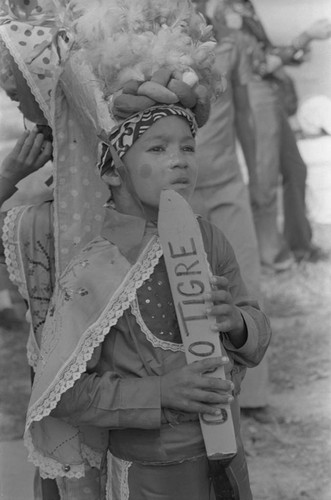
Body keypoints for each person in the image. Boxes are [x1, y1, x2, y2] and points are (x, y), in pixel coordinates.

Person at [0, 1, 272, 498]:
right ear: (110, 171)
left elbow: (255, 329)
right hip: (144, 477)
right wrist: (161, 393)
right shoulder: (95, 264)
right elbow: (63, 392)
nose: (179, 162)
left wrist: (237, 323)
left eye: (187, 147)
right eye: (157, 149)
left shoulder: (208, 238)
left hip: (223, 463)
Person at [191, 0, 271, 421]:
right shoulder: (157, 49)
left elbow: (245, 118)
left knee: (246, 286)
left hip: (227, 186)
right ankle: (205, 398)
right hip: (177, 196)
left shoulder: (232, 45)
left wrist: (257, 179)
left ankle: (253, 398)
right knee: (191, 297)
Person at [225, 0, 331, 271]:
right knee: (264, 179)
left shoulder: (242, 5)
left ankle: (299, 245)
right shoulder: (223, 9)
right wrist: (306, 36)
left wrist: (295, 52)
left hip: (269, 94)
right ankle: (270, 257)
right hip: (254, 96)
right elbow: (257, 65)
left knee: (295, 169)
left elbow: (265, 52)